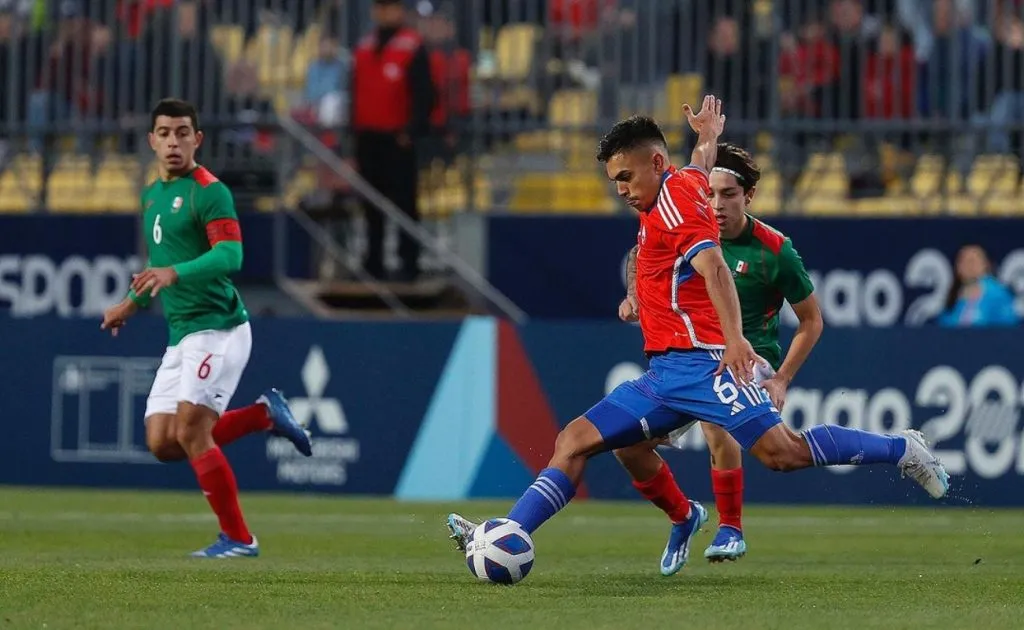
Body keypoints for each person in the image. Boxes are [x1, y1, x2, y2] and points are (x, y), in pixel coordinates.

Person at [445, 97, 949, 577]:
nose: (619, 189)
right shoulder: (682, 181)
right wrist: (707, 137)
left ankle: (901, 448)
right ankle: (513, 532)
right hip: (666, 374)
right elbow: (699, 165)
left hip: (707, 363)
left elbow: (715, 271)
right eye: (614, 180)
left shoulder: (677, 208)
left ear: (656, 163)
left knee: (782, 454)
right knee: (577, 441)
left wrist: (733, 341)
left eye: (625, 176)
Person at [101, 98, 313, 558]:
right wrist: (129, 304)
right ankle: (263, 415)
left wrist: (176, 273)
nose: (173, 141)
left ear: (197, 139)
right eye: (164, 133)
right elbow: (158, 267)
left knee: (192, 430)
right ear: (152, 141)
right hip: (182, 333)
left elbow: (230, 256)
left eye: (182, 132)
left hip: (219, 327)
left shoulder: (209, 190)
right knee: (162, 442)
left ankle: (239, 539)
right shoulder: (151, 195)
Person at [613, 143, 823, 573]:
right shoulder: (684, 224)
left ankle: (731, 527)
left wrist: (781, 379)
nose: (717, 204)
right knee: (628, 443)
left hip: (749, 355)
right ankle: (684, 516)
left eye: (728, 195)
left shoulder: (774, 250)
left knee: (716, 419)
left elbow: (811, 321)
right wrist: (634, 294)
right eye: (710, 194)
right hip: (691, 354)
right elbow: (639, 255)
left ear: (749, 196)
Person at [350, 0, 435, 281]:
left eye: (391, 7)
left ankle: (409, 263)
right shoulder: (364, 47)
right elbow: (355, 92)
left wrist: (411, 131)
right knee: (370, 203)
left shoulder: (412, 46)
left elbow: (425, 94)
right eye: (381, 7)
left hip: (398, 139)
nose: (385, 13)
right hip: (368, 138)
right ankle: (373, 262)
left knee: (404, 202)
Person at [938, 244, 1020, 327]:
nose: (969, 266)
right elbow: (945, 326)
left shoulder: (998, 294)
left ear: (985, 265)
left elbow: (1008, 327)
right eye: (963, 261)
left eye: (973, 261)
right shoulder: (953, 296)